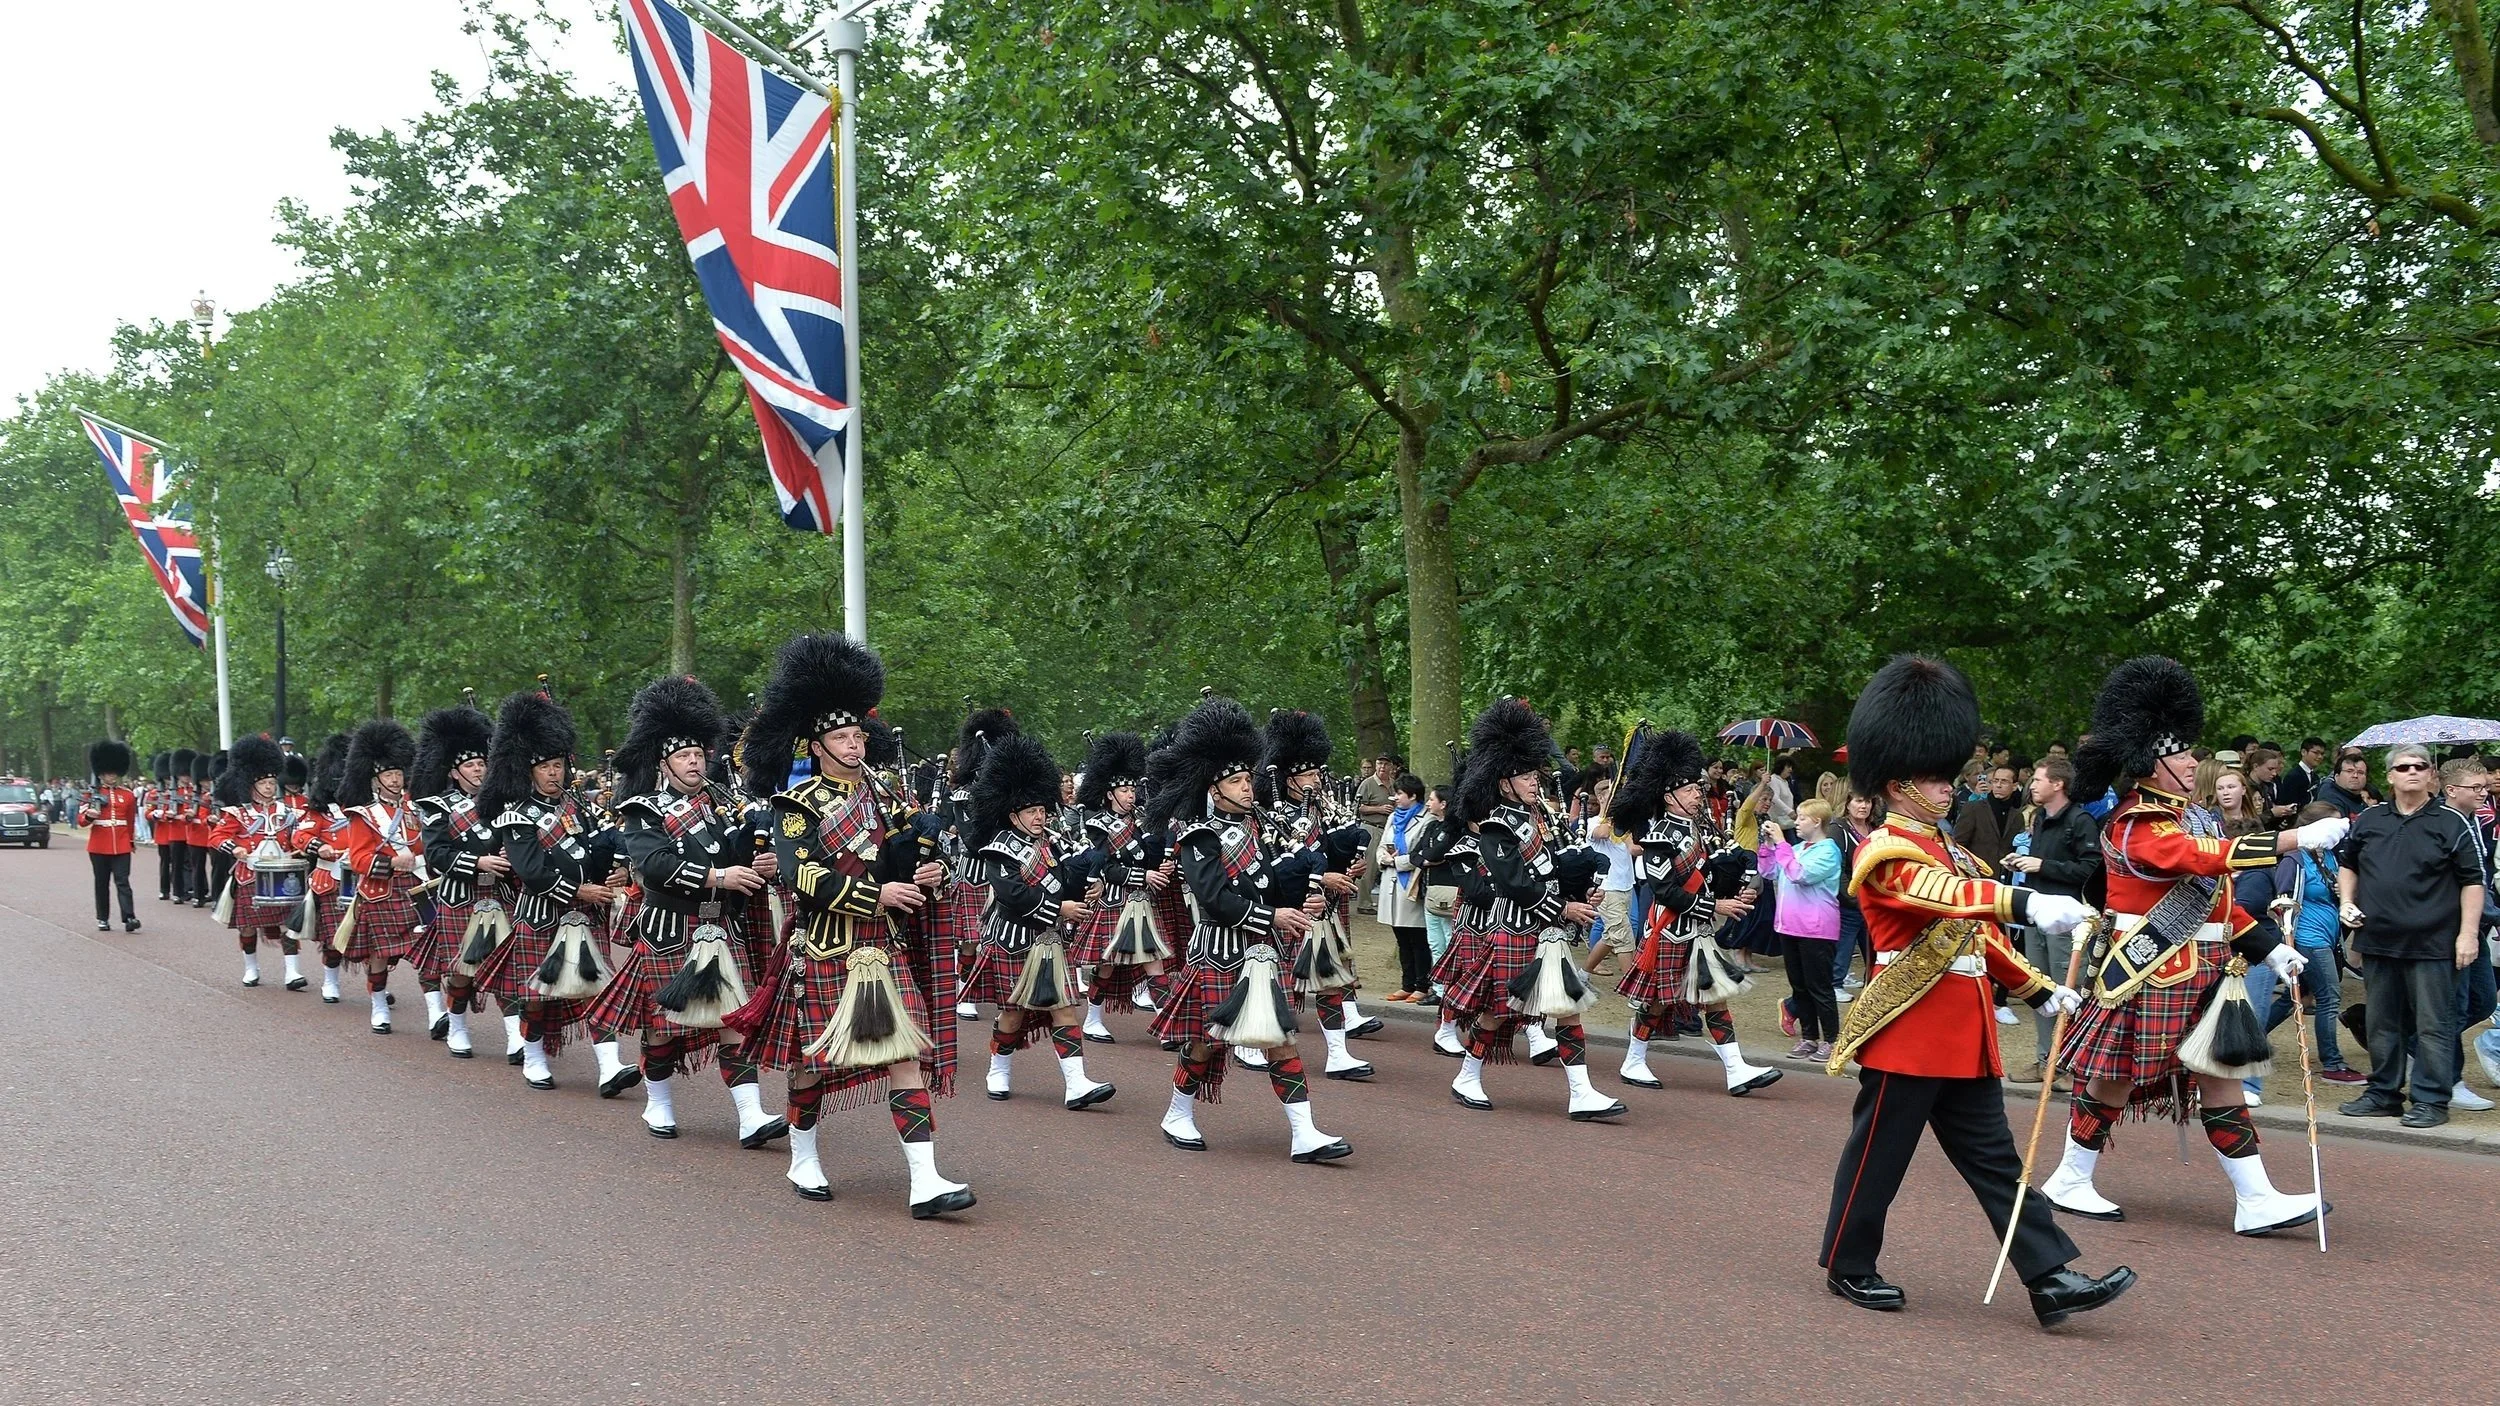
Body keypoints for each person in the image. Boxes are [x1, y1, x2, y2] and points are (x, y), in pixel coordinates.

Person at [1815, 654, 2130, 1329]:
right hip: (1909, 1031)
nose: (1948, 786)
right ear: (1898, 784)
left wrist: (2039, 989)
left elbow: (1975, 940)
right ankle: (1848, 1260)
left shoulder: (1952, 848)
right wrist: (2025, 902)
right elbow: (1948, 902)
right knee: (1879, 1157)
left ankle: (2050, 1278)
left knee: (1998, 1164)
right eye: (1935, 777)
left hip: (1964, 1032)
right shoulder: (1887, 853)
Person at [2044, 658, 2346, 1236]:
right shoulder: (2137, 822)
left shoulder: (2192, 816)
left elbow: (2213, 896)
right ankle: (2070, 1177)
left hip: (2203, 967)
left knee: (2220, 1071)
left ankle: (2255, 1198)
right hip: (2150, 969)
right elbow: (2197, 860)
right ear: (2153, 763)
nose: (2192, 761)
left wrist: (2267, 948)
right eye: (2181, 754)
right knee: (2114, 1078)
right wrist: (2289, 839)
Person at [729, 633, 973, 1216]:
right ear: (817, 746)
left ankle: (925, 1180)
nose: (855, 744)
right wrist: (877, 892)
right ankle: (803, 1155)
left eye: (859, 734)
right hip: (824, 949)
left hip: (883, 950)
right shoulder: (799, 806)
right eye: (842, 737)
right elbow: (803, 879)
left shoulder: (887, 796)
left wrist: (929, 870)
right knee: (812, 1065)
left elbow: (905, 858)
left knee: (905, 1056)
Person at [579, 674, 791, 1146]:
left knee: (734, 1022)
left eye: (699, 755)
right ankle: (658, 1104)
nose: (695, 763)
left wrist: (763, 862)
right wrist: (719, 877)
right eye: (684, 756)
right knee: (662, 1030)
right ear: (664, 764)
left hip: (721, 926)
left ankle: (751, 1115)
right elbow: (653, 867)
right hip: (668, 928)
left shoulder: (725, 808)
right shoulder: (643, 810)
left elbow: (739, 860)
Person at [1145, 696, 1351, 1162]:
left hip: (1261, 953)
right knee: (1202, 1046)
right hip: (1217, 950)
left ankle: (1305, 1134)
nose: (1246, 788)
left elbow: (1277, 881)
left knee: (1280, 1039)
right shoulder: (1199, 836)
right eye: (1236, 782)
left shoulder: (1262, 827)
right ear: (1213, 789)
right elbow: (1216, 898)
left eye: (1247, 779)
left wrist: (1302, 898)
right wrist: (1271, 916)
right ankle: (1177, 1113)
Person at [1439, 698, 1623, 1122]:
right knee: (1498, 1013)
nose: (1533, 781)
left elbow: (1551, 869)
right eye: (1524, 776)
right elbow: (1514, 883)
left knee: (1566, 1008)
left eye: (1533, 773)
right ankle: (1468, 1076)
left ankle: (1582, 1092)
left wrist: (1581, 889)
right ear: (1504, 783)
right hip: (1516, 929)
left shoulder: (1540, 819)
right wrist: (1564, 908)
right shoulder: (1496, 827)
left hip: (1545, 930)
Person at [1610, 729, 1781, 1095]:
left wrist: (1738, 875)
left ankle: (1736, 1069)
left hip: (1697, 929)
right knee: (1655, 1002)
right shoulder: (1658, 837)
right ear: (1669, 796)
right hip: (1670, 929)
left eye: (1697, 788)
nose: (1697, 794)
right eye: (1689, 790)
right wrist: (1715, 905)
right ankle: (1633, 1060)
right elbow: (1665, 891)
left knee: (1713, 995)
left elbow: (1705, 876)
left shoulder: (1698, 829)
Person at [959, 733, 1118, 1111]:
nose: (1039, 816)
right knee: (1012, 1012)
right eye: (1031, 811)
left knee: (1063, 1007)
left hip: (1049, 941)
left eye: (1042, 810)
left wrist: (1086, 889)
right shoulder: (998, 848)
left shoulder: (1054, 842)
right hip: (1013, 938)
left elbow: (1067, 878)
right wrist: (1059, 908)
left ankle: (1076, 1083)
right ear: (1013, 813)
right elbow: (1013, 895)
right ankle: (998, 1068)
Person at [471, 693, 619, 1087]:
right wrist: (580, 891)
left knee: (596, 987)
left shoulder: (581, 808)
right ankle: (534, 1057)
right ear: (529, 771)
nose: (554, 774)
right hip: (541, 916)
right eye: (545, 767)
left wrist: (614, 872)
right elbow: (531, 872)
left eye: (558, 765)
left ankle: (610, 1067)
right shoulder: (515, 815)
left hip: (586, 915)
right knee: (537, 996)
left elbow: (599, 851)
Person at [2334, 744, 2485, 1128]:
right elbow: (2347, 864)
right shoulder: (2370, 821)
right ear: (2390, 776)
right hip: (2379, 938)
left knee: (2434, 1024)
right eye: (2404, 767)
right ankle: (2384, 1094)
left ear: (2432, 775)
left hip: (2434, 942)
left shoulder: (2451, 822)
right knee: (2383, 1024)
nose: (2413, 772)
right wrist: (2346, 902)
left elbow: (2473, 882)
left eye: (2421, 766)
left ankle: (2432, 1100)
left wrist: (2467, 935)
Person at [409, 701, 503, 1058]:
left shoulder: (502, 803)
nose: (479, 770)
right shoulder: (438, 807)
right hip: (460, 895)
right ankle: (458, 1027)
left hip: (501, 896)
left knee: (505, 967)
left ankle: (517, 1037)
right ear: (455, 772)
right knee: (463, 969)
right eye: (471, 765)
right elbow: (436, 854)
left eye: (483, 764)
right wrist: (478, 861)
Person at [2001, 755, 2100, 1086]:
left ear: (2058, 784)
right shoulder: (2041, 817)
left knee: (2069, 990)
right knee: (2040, 989)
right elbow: (2045, 862)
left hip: (2068, 921)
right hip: (2037, 916)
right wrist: (2022, 863)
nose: (2033, 785)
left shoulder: (2081, 819)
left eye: (2039, 780)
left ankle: (2075, 1064)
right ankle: (2047, 1061)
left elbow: (2089, 868)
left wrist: (2041, 865)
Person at [1067, 731, 1169, 1040]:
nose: (1130, 795)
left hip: (1142, 903)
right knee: (1108, 965)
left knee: (1155, 963)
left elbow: (1146, 858)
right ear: (1110, 794)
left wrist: (1160, 860)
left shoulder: (1141, 822)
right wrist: (1143, 876)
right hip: (1114, 901)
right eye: (1124, 790)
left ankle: (1167, 1025)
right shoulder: (1097, 825)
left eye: (1132, 789)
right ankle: (1092, 1020)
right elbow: (1106, 867)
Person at [335, 721, 430, 1036]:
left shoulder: (417, 810)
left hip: (417, 887)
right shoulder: (364, 815)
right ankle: (378, 1004)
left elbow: (426, 846)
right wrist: (391, 863)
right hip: (382, 890)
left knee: (429, 949)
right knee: (380, 954)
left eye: (399, 774)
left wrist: (418, 859)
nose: (395, 779)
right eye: (389, 775)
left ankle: (437, 1011)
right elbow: (359, 859)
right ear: (376, 780)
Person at [2261, 802, 2366, 1084]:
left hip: (2326, 935)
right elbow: (2281, 903)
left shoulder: (2328, 855)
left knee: (2292, 998)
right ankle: (2332, 1064)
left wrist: (2338, 892)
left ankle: (2251, 1041)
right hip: (2308, 937)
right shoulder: (2294, 859)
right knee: (2329, 996)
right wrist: (2288, 943)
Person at [207, 735, 309, 991]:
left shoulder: (289, 812)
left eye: (272, 782)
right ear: (252, 785)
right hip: (250, 875)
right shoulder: (239, 813)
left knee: (289, 925)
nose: (268, 787)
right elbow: (217, 836)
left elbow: (298, 837)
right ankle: (251, 968)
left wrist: (299, 850)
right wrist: (236, 848)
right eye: (263, 783)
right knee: (248, 926)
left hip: (284, 874)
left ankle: (292, 972)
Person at [1762, 799, 1843, 1062]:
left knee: (1819, 986)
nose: (1796, 822)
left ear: (1817, 821)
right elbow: (1770, 872)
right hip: (1789, 927)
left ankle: (1831, 1040)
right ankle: (1809, 1037)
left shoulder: (1828, 851)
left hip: (1816, 929)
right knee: (1799, 987)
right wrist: (1767, 846)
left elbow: (1800, 875)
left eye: (1801, 818)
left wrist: (1781, 845)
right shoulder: (1795, 848)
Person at [2440, 758, 2498, 1111]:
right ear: (2451, 790)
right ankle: (2449, 1080)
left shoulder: (2475, 821)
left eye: (2484, 786)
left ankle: (2420, 1045)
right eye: (2476, 788)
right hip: (2454, 929)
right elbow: (2464, 882)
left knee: (2483, 1001)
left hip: (2478, 925)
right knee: (2454, 1007)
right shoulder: (2445, 825)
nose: (2484, 792)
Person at [1375, 772, 1434, 1000]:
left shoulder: (1426, 818)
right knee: (1401, 937)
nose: (1395, 798)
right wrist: (1384, 858)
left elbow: (1420, 852)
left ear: (1412, 795)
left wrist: (1397, 861)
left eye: (1399, 794)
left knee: (1417, 938)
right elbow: (1382, 844)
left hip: (1411, 883)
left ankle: (1422, 984)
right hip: (1391, 881)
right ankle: (1407, 983)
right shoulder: (1393, 817)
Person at [77, 740, 140, 934]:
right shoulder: (90, 794)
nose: (110, 777)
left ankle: (129, 916)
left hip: (121, 844)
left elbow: (130, 820)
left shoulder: (127, 795)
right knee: (101, 883)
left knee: (123, 881)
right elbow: (80, 820)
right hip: (98, 845)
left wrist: (130, 841)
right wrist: (89, 815)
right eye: (107, 773)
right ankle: (103, 918)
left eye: (113, 773)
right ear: (101, 773)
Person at [1954, 765, 2023, 872]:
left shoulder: (2017, 815)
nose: (1998, 785)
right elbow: (1958, 844)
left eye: (2004, 782)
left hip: (2004, 875)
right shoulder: (1974, 808)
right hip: (1976, 874)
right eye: (1995, 781)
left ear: (2014, 786)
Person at [2314, 749, 2375, 817]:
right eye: (2349, 771)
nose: (2355, 776)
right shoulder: (2330, 798)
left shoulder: (2358, 800)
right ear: (2337, 776)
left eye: (2360, 772)